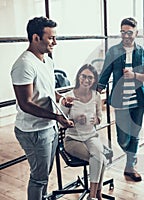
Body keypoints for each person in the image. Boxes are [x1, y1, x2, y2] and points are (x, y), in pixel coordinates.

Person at [10, 16, 73, 200]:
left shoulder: (47, 61)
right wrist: (57, 117)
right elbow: (25, 103)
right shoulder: (24, 64)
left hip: (48, 127)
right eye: (51, 38)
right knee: (38, 178)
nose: (55, 42)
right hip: (33, 131)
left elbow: (47, 92)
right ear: (36, 38)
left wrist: (62, 100)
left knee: (44, 175)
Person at [98, 17, 144, 182]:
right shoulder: (113, 51)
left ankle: (130, 166)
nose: (126, 35)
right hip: (120, 99)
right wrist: (94, 93)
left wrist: (134, 75)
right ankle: (132, 156)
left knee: (135, 134)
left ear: (136, 33)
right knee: (123, 138)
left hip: (139, 100)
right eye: (123, 32)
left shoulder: (142, 52)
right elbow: (105, 74)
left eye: (129, 32)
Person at [60, 64, 105, 200]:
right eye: (83, 76)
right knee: (99, 158)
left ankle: (95, 194)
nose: (86, 80)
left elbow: (100, 118)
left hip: (91, 136)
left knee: (99, 157)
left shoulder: (96, 96)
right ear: (78, 77)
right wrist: (74, 119)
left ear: (94, 80)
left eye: (90, 77)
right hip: (72, 139)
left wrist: (94, 120)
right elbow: (60, 122)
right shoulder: (69, 97)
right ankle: (95, 194)